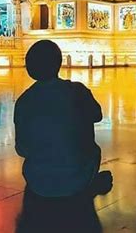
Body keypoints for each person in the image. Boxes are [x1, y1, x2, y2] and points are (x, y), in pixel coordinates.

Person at [14, 40, 112, 199]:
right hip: (78, 177)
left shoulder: (24, 101)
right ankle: (88, 183)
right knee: (93, 148)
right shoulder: (77, 91)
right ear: (59, 63)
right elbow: (97, 115)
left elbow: (22, 149)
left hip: (37, 182)